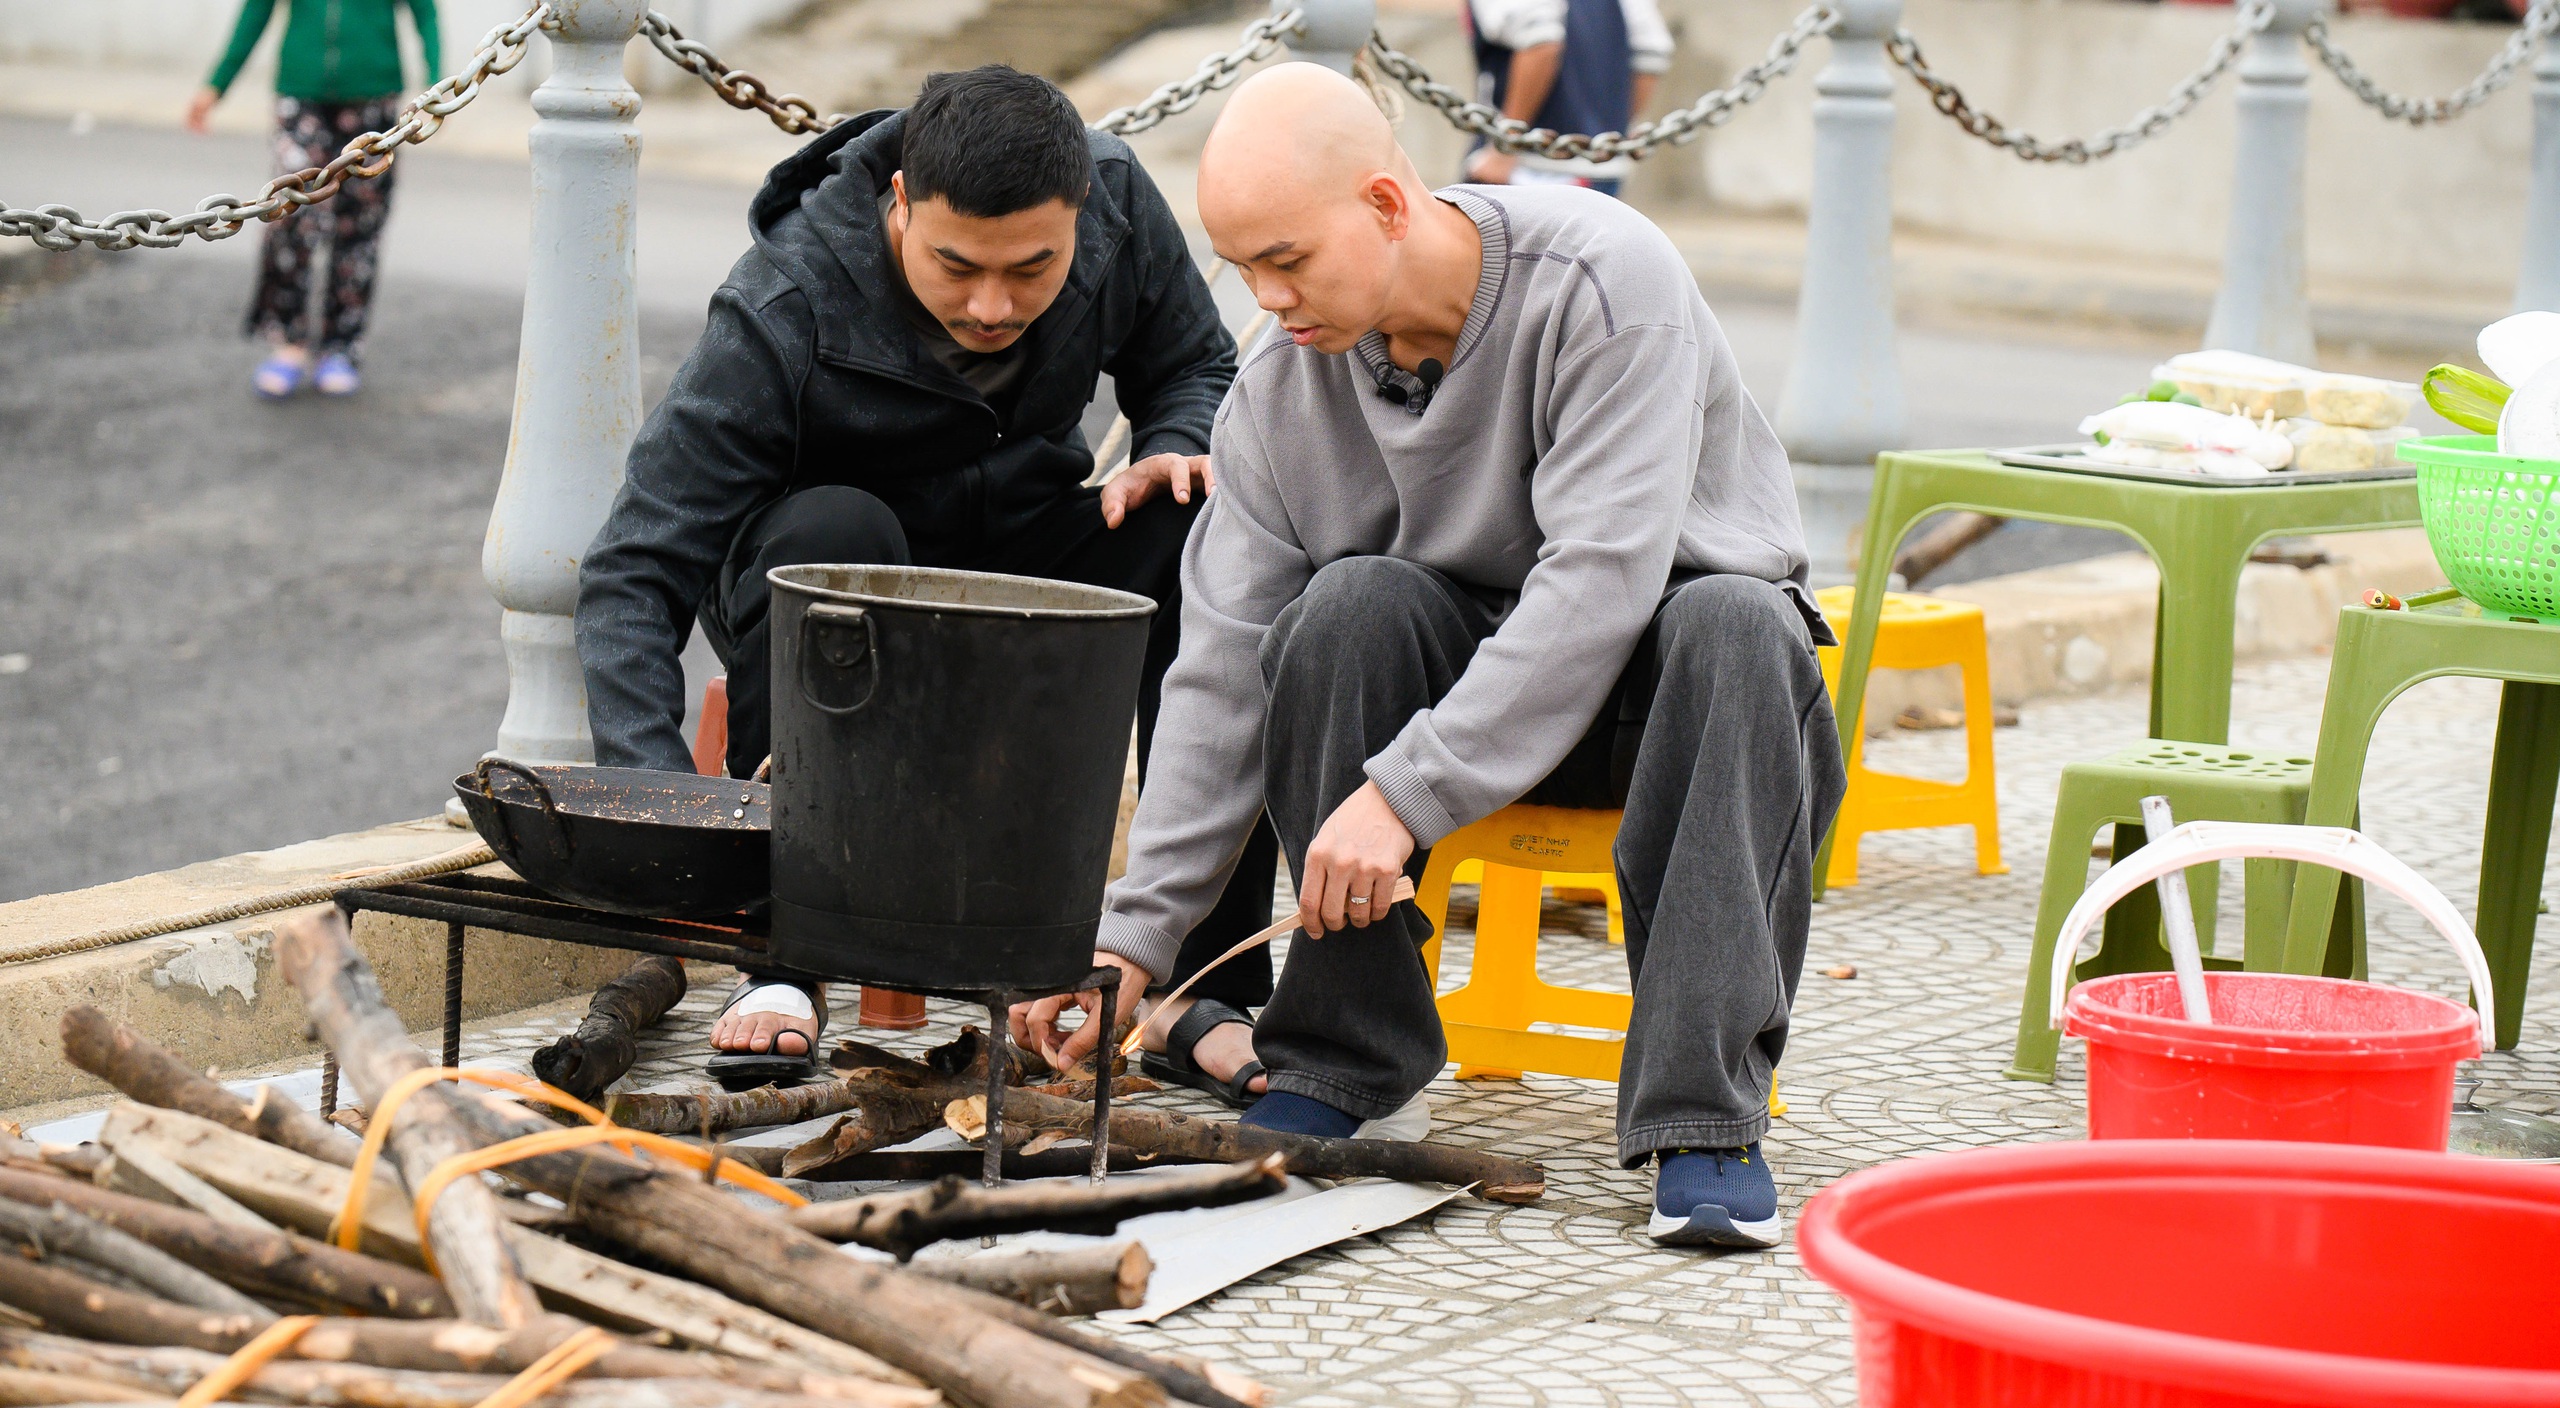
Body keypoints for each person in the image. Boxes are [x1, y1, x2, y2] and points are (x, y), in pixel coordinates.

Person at [1015, 62, 1844, 1248]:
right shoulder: (1279, 386)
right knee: (1346, 607)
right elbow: (1217, 667)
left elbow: (1599, 584)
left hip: (1672, 697)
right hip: (1458, 689)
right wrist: (1127, 942)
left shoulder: (1610, 283)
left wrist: (1402, 794)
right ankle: (1345, 1054)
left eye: (1288, 260)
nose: (1266, 297)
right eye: (1241, 265)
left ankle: (1702, 1115)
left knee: (1736, 622)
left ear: (1388, 205)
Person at [577, 66, 1281, 1084]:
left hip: (1025, 559)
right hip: (842, 603)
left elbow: (1193, 367)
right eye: (956, 267)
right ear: (899, 203)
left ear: (1080, 213)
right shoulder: (785, 300)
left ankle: (1187, 981)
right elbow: (632, 572)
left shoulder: (1120, 200)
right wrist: (669, 812)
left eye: (1031, 270)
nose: (992, 305)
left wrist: (1174, 440)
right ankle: (783, 961)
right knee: (830, 525)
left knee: (1199, 515)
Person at [187, 0, 438, 399]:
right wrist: (216, 85)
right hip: (301, 96)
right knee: (289, 216)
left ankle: (341, 346)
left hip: (373, 96)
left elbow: (425, 11)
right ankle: (288, 342)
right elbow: (256, 11)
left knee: (359, 226)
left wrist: (436, 84)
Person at [1461, 0, 1671, 196]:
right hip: (1601, 168)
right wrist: (1612, 130)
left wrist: (1507, 146)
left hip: (1525, 169)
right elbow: (1651, 53)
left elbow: (1540, 41)